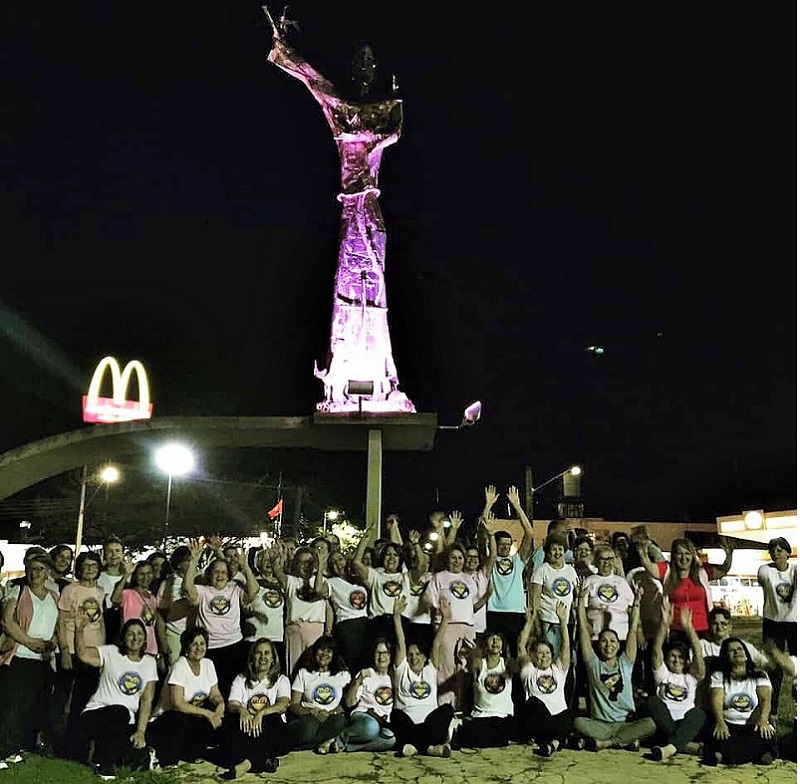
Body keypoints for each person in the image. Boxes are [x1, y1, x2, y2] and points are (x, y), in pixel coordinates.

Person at [265, 9, 415, 413]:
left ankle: (382, 377)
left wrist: (368, 137)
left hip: (370, 203)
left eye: (369, 62)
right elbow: (311, 78)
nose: (363, 68)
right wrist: (283, 46)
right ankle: (346, 373)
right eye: (357, 61)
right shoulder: (341, 103)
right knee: (350, 282)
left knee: (376, 280)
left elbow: (393, 131)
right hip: (352, 206)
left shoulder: (386, 105)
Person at [572, 580, 656, 751]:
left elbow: (632, 630)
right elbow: (583, 629)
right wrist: (580, 600)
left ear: (619, 645)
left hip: (625, 723)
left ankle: (607, 743)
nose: (608, 645)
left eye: (612, 641)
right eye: (603, 641)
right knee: (578, 722)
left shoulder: (625, 663)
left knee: (651, 724)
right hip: (599, 725)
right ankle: (625, 741)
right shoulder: (593, 663)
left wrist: (637, 603)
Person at [76, 616, 158, 779]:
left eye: (140, 634)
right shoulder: (111, 652)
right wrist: (79, 630)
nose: (136, 638)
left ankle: (131, 757)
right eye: (131, 634)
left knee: (144, 734)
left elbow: (146, 700)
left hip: (126, 721)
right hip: (96, 713)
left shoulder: (149, 662)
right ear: (123, 637)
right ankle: (104, 765)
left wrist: (140, 732)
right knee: (120, 712)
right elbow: (83, 654)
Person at [0, 550, 59, 761]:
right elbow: (7, 622)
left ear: (48, 572)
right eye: (31, 569)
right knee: (12, 705)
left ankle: (21, 747)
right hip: (20, 656)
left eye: (40, 569)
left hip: (42, 660)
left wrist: (50, 645)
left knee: (33, 706)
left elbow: (57, 627)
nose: (35, 573)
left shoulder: (55, 596)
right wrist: (30, 642)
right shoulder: (18, 592)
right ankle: (3, 750)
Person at [182, 539, 259, 700]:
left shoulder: (235, 589)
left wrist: (245, 567)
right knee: (209, 690)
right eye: (216, 572)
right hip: (208, 649)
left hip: (233, 646)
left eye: (224, 572)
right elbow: (188, 590)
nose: (220, 575)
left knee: (231, 689)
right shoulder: (202, 591)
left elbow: (253, 592)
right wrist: (194, 560)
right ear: (209, 574)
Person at [148, 625, 226, 768]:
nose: (199, 648)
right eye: (194, 644)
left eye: (202, 644)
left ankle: (190, 752)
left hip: (194, 715)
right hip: (168, 717)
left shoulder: (208, 664)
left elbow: (215, 694)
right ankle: (167, 759)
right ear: (186, 647)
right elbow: (177, 703)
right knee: (180, 719)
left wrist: (220, 706)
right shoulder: (180, 666)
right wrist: (208, 714)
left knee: (217, 722)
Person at [218, 638, 292, 779]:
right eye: (258, 653)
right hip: (248, 728)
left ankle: (248, 763)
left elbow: (283, 705)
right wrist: (242, 710)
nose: (263, 657)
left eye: (267, 653)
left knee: (272, 719)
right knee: (230, 723)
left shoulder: (282, 680)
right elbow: (232, 704)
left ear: (273, 659)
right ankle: (263, 761)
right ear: (252, 658)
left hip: (272, 728)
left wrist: (261, 713)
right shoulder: (241, 679)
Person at [390, 595, 454, 758]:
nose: (414, 657)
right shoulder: (402, 670)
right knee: (396, 715)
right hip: (408, 724)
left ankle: (416, 747)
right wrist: (397, 617)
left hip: (429, 724)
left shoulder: (430, 670)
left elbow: (436, 644)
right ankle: (430, 749)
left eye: (418, 654)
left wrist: (445, 619)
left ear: (425, 657)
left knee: (447, 709)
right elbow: (400, 642)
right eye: (410, 654)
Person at [57, 549, 106, 759]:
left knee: (84, 701)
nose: (90, 569)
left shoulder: (101, 591)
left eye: (94, 566)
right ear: (79, 568)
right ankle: (59, 743)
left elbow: (101, 622)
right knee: (64, 699)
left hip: (92, 651)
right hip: (71, 648)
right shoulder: (70, 590)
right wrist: (65, 651)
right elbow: (60, 621)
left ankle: (79, 747)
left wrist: (102, 653)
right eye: (86, 566)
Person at [639, 536, 733, 641]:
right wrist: (643, 552)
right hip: (677, 629)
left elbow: (723, 570)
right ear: (673, 556)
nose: (683, 558)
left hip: (703, 629)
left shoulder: (702, 572)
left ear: (693, 556)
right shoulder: (667, 571)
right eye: (679, 554)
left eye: (687, 553)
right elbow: (649, 567)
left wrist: (729, 554)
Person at [644, 604, 706, 761]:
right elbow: (656, 650)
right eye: (672, 656)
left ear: (686, 662)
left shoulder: (690, 679)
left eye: (680, 657)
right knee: (653, 701)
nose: (676, 660)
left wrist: (689, 628)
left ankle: (670, 747)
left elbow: (698, 652)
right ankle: (683, 745)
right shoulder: (663, 675)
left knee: (698, 714)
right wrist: (664, 624)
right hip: (664, 723)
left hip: (686, 723)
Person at [702, 637, 778, 766]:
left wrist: (763, 720)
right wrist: (720, 722)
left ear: (747, 654)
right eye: (731, 651)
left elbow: (765, 700)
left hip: (751, 725)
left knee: (766, 735)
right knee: (717, 734)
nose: (737, 652)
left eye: (740, 649)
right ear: (726, 657)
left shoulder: (759, 674)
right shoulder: (718, 675)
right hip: (728, 725)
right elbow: (716, 698)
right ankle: (758, 755)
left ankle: (722, 755)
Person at [423, 539, 477, 711]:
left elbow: (472, 602)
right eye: (453, 557)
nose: (457, 561)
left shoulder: (469, 580)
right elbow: (428, 600)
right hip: (446, 626)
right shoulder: (439, 577)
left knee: (465, 669)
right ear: (447, 559)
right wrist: (441, 610)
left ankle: (462, 706)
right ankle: (445, 708)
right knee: (446, 668)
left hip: (467, 627)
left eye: (460, 558)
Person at [517, 600, 573, 756]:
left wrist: (563, 622)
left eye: (547, 652)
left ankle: (553, 744)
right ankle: (560, 740)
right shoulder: (529, 671)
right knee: (533, 703)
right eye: (540, 653)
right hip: (539, 721)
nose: (544, 656)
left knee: (569, 714)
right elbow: (521, 647)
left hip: (558, 720)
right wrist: (529, 623)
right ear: (533, 656)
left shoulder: (558, 670)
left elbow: (566, 647)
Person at [271, 543, 330, 676]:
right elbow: (278, 573)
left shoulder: (324, 581)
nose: (306, 565)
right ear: (296, 564)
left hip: (316, 629)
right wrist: (275, 560)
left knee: (315, 669)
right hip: (295, 629)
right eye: (302, 562)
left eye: (309, 562)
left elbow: (318, 591)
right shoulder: (292, 581)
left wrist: (320, 569)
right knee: (294, 670)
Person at [351, 521, 408, 656]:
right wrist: (366, 537)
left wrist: (394, 528)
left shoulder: (405, 575)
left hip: (401, 622)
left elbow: (398, 546)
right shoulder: (376, 574)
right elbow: (356, 562)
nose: (392, 558)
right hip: (378, 624)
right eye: (388, 554)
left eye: (395, 555)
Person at [453, 629, 516, 749]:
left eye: (498, 638)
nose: (495, 641)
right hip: (481, 717)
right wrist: (472, 651)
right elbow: (473, 662)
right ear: (485, 644)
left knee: (504, 731)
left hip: (503, 718)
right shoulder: (479, 664)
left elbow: (520, 659)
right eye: (491, 638)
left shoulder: (507, 664)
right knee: (472, 733)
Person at [330, 637, 396, 753]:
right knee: (371, 727)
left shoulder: (393, 676)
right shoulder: (367, 673)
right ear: (373, 655)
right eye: (378, 653)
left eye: (385, 653)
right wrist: (359, 680)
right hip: (364, 716)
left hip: (383, 722)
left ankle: (348, 746)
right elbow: (349, 702)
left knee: (390, 739)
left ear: (391, 655)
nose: (381, 657)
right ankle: (340, 738)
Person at [287, 635, 351, 753]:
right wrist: (311, 712)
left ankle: (306, 744)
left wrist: (332, 712)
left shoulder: (342, 675)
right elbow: (293, 704)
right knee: (309, 728)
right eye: (321, 649)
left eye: (329, 651)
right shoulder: (304, 673)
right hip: (309, 716)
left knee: (340, 722)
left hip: (331, 717)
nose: (324, 654)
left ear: (334, 654)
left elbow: (347, 704)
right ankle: (326, 741)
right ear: (315, 651)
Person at [757, 536, 796, 723]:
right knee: (774, 668)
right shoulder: (765, 570)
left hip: (795, 622)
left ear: (788, 552)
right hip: (773, 622)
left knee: (797, 667)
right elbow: (766, 584)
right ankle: (772, 711)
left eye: (780, 550)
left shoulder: (796, 569)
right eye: (772, 551)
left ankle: (797, 709)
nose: (775, 554)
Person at [109, 559, 168, 671]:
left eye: (149, 573)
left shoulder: (153, 598)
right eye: (141, 574)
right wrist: (126, 575)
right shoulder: (128, 594)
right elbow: (114, 599)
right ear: (135, 576)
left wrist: (161, 651)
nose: (145, 577)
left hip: (150, 648)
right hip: (131, 647)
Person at [530, 533, 578, 660]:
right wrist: (535, 622)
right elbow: (535, 598)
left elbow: (576, 594)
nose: (557, 553)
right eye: (553, 549)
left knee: (568, 657)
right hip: (548, 620)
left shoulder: (571, 571)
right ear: (547, 551)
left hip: (567, 621)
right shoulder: (541, 570)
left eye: (560, 549)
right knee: (551, 656)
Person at [326, 548, 369, 673]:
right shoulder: (331, 582)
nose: (338, 563)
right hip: (346, 625)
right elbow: (318, 590)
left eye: (340, 559)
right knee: (353, 663)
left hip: (365, 623)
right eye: (333, 562)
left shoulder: (359, 579)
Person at [583, 543, 636, 644]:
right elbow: (582, 609)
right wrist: (586, 627)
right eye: (603, 559)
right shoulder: (589, 581)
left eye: (610, 559)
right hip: (596, 637)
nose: (606, 562)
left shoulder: (622, 582)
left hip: (621, 636)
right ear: (596, 561)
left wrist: (638, 631)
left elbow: (632, 609)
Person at [156, 545, 195, 666]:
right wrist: (163, 643)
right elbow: (161, 614)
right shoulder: (168, 583)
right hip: (175, 634)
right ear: (178, 564)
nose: (192, 563)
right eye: (188, 560)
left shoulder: (199, 579)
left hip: (194, 634)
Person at [97, 536, 126, 645]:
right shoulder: (98, 578)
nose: (114, 555)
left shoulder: (130, 578)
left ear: (122, 554)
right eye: (110, 551)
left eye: (117, 551)